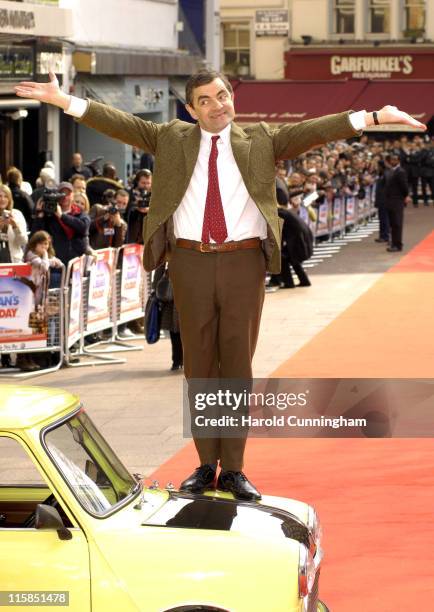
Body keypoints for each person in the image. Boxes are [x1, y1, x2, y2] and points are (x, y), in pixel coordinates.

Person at [14, 69, 426, 501]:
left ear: (233, 98)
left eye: (223, 95)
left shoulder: (262, 139)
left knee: (236, 368)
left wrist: (375, 116)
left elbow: (314, 130)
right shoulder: (171, 138)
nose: (218, 104)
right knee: (198, 368)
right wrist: (63, 101)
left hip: (243, 262)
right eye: (206, 100)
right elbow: (120, 122)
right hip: (189, 261)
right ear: (191, 110)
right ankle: (205, 462)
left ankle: (233, 469)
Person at [31, 181, 91, 266]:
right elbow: (34, 236)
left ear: (73, 196)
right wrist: (40, 216)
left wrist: (62, 216)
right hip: (56, 265)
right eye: (62, 194)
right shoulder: (49, 216)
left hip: (77, 266)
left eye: (68, 194)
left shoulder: (80, 214)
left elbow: (83, 228)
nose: (65, 197)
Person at [384, 153, 410, 252]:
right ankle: (394, 243)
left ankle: (397, 244)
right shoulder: (392, 171)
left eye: (395, 160)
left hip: (397, 200)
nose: (392, 161)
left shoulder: (400, 171)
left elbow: (404, 186)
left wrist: (405, 196)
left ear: (398, 161)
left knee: (397, 223)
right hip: (391, 201)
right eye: (391, 159)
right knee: (393, 223)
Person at [0, 184, 28, 263]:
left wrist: (15, 226)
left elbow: (23, 242)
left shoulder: (17, 214)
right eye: (0, 196)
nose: (2, 199)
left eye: (6, 196)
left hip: (14, 261)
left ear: (9, 199)